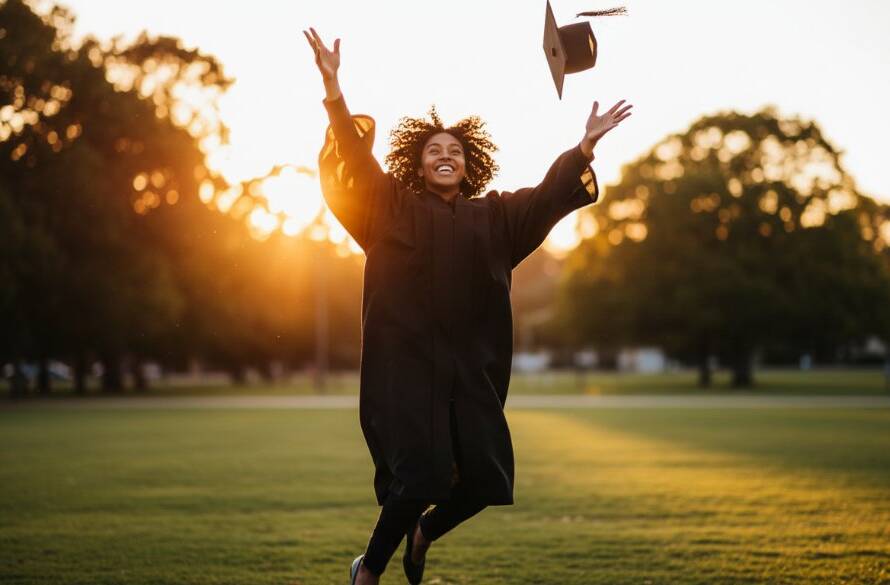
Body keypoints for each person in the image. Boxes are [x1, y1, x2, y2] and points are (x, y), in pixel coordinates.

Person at [303, 27, 632, 585]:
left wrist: (583, 148)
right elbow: (357, 163)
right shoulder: (392, 209)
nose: (445, 156)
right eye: (434, 151)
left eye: (455, 150)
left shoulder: (495, 218)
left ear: (469, 162)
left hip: (470, 371)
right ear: (419, 163)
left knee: (487, 479)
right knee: (420, 475)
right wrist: (335, 92)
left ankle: (425, 532)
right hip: (408, 370)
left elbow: (549, 195)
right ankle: (369, 571)